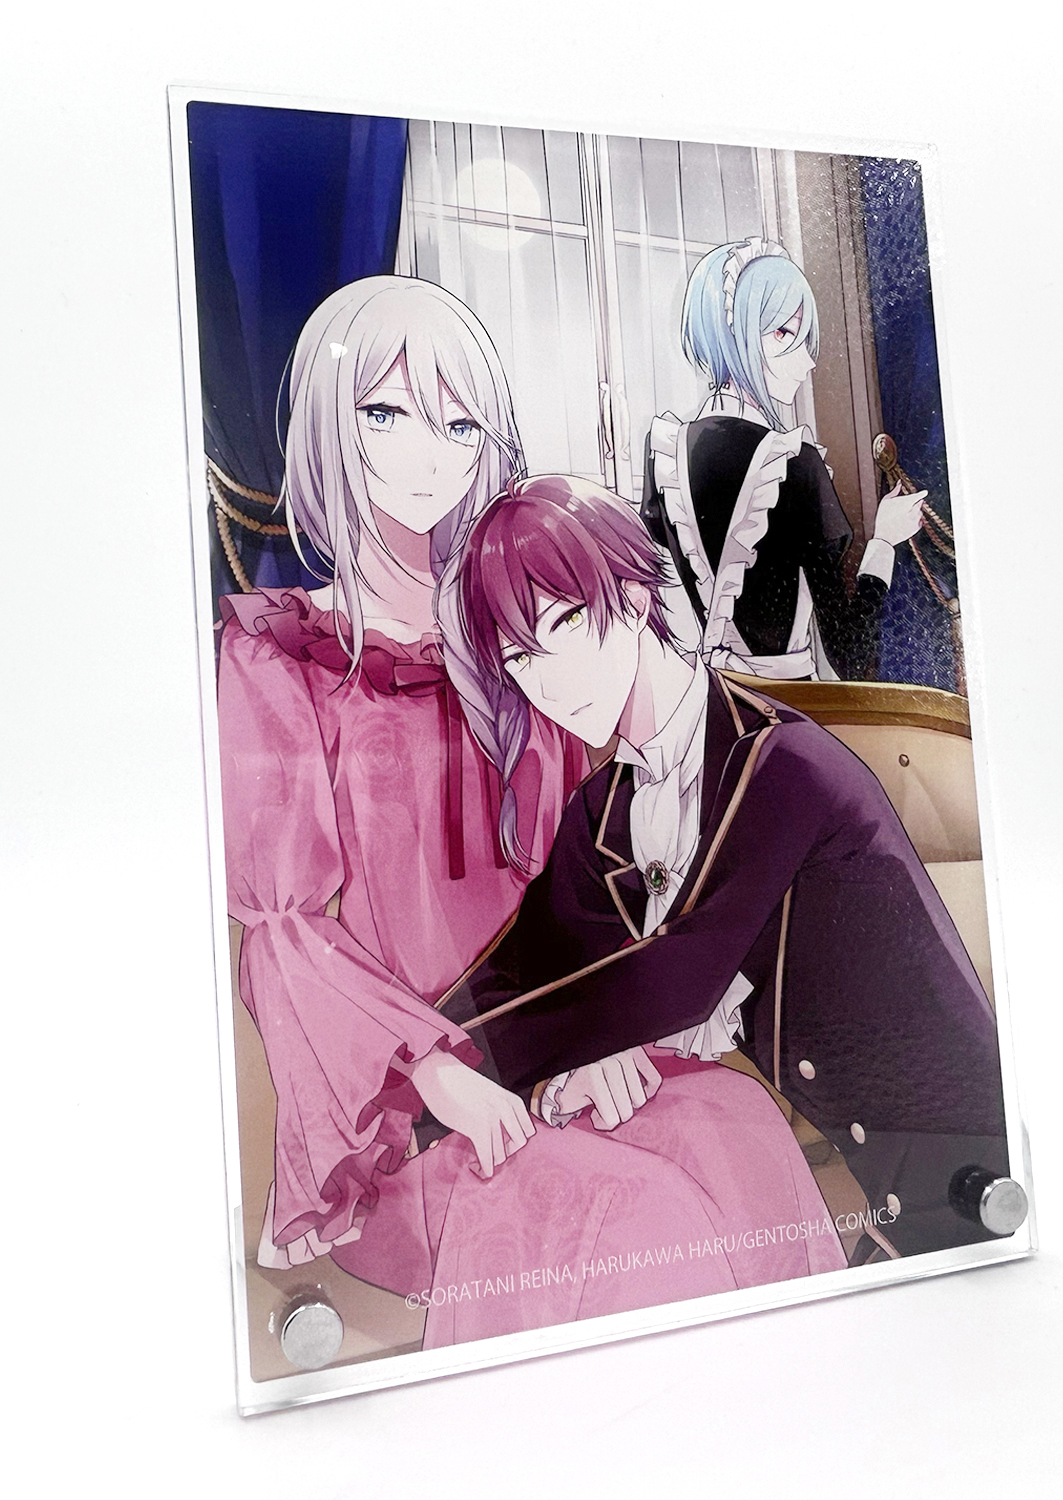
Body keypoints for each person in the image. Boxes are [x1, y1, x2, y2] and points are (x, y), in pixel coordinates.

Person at [218, 276, 844, 1351]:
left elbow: (575, 879)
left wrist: (585, 1036)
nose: (428, 455)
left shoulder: (521, 649)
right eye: (386, 413)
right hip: (413, 1117)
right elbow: (284, 936)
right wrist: (446, 1076)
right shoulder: (278, 660)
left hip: (554, 1057)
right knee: (628, 1214)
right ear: (326, 423)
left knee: (736, 1129)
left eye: (460, 426)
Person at [441, 473, 1011, 1258]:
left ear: (631, 598)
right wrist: (423, 1063)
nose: (549, 680)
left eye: (564, 623)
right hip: (876, 1192)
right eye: (518, 659)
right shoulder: (604, 810)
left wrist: (490, 1070)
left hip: (974, 1169)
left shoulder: (781, 762)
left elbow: (674, 982)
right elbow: (517, 969)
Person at [641, 237, 925, 681]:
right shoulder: (794, 462)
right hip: (786, 706)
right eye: (783, 334)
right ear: (733, 338)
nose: (807, 361)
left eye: (803, 337)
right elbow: (849, 653)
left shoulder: (664, 453)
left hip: (710, 704)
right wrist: (884, 541)